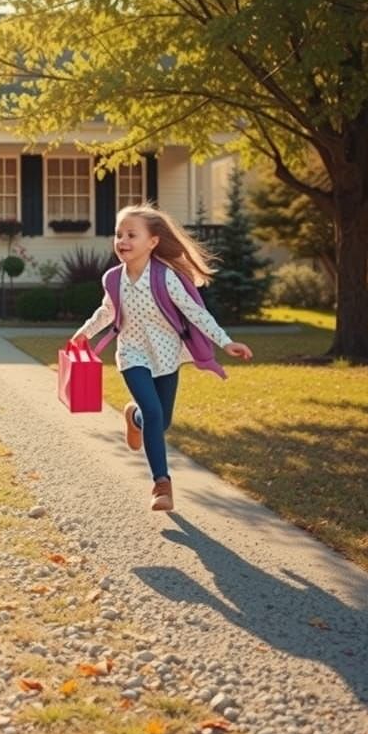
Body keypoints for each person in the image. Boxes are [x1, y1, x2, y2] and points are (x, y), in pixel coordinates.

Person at [72, 204, 253, 512]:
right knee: (155, 412)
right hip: (132, 355)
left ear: (153, 242)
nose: (123, 241)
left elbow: (197, 313)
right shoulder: (113, 279)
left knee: (160, 419)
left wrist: (226, 341)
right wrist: (84, 333)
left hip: (167, 355)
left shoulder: (166, 277)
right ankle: (161, 484)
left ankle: (134, 417)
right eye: (119, 234)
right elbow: (107, 311)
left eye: (131, 234)